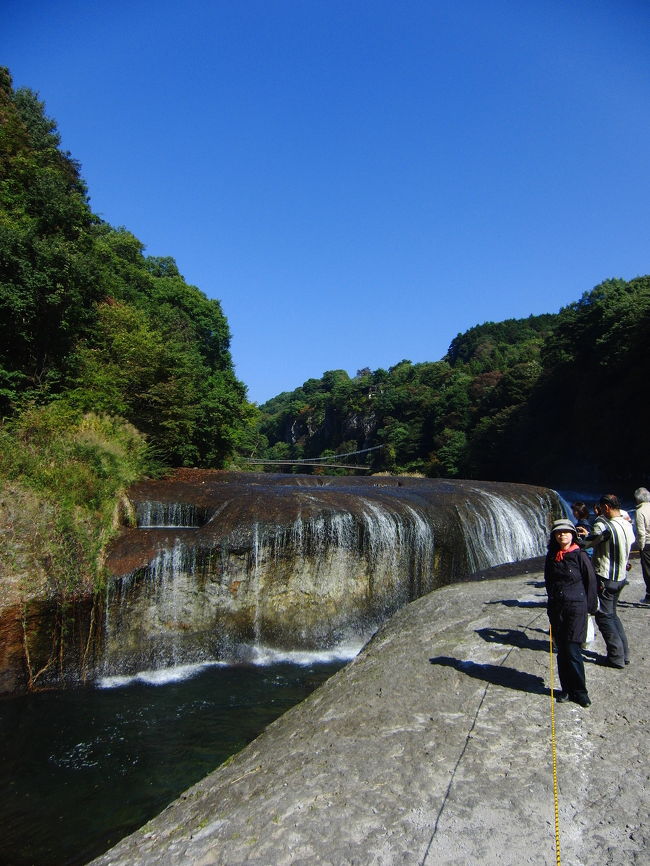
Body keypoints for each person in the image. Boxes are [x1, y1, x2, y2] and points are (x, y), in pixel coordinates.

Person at [576, 493, 635, 668]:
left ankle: (615, 657)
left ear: (606, 508)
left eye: (601, 509)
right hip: (621, 577)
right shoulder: (626, 523)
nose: (599, 512)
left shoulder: (605, 526)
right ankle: (624, 654)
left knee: (603, 616)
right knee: (612, 614)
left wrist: (580, 537)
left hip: (606, 577)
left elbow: (587, 543)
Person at [544, 518, 597, 707]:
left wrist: (591, 608)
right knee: (561, 651)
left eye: (566, 532)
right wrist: (550, 606)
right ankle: (566, 689)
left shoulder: (580, 555)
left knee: (573, 650)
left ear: (572, 534)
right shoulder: (552, 556)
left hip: (576, 608)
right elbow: (549, 581)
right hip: (557, 609)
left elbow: (591, 582)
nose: (562, 535)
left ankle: (580, 691)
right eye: (558, 532)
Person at [634, 487, 650, 603]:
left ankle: (649, 596)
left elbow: (641, 532)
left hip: (647, 544)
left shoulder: (640, 511)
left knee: (648, 571)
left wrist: (641, 546)